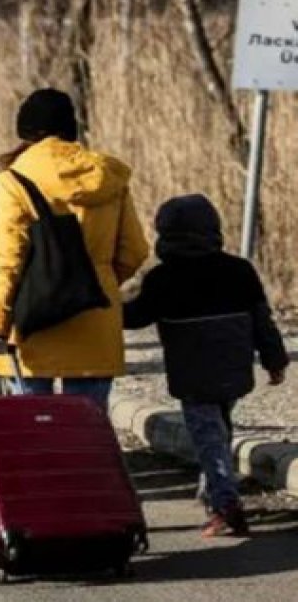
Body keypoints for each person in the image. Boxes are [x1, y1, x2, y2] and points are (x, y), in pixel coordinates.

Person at [124, 194, 288, 538]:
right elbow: (262, 320)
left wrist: (105, 304)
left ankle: (226, 505)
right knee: (219, 428)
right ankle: (212, 491)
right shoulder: (239, 270)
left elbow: (136, 318)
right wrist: (275, 360)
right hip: (233, 369)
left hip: (192, 374)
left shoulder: (162, 279)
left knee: (208, 438)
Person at [0, 89, 149, 410]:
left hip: (34, 321)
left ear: (26, 130)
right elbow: (134, 251)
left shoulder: (14, 179)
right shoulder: (107, 175)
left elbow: (8, 261)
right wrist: (98, 280)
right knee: (87, 434)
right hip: (95, 315)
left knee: (34, 433)